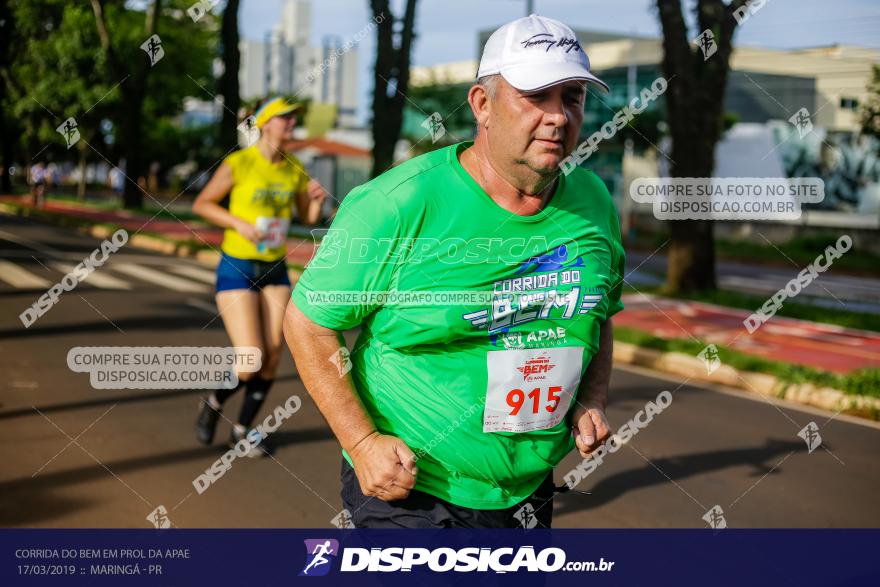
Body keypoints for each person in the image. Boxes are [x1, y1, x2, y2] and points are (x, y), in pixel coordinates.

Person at [284, 14, 625, 527]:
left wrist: (589, 400)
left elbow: (598, 312)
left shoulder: (593, 202)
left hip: (526, 490)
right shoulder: (399, 203)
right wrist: (362, 441)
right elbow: (308, 322)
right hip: (414, 486)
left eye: (572, 97)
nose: (558, 117)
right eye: (536, 95)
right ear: (482, 105)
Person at [193, 97, 327, 456]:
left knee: (272, 353)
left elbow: (307, 217)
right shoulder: (240, 163)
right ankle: (214, 401)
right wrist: (238, 222)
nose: (291, 123)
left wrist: (314, 199)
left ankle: (243, 429)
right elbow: (202, 203)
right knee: (250, 357)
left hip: (274, 268)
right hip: (237, 265)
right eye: (284, 118)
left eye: (293, 118)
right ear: (265, 123)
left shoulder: (293, 167)